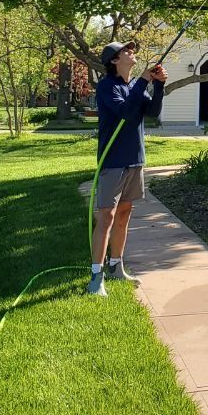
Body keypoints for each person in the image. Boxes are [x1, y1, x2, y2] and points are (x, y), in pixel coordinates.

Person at [88, 41, 167, 297]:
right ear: (114, 60)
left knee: (124, 215)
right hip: (113, 161)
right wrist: (144, 81)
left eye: (131, 50)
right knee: (106, 217)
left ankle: (116, 267)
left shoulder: (134, 86)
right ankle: (96, 277)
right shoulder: (107, 87)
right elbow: (124, 112)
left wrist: (159, 85)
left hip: (135, 160)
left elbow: (152, 112)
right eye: (126, 51)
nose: (132, 53)